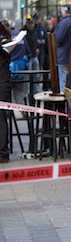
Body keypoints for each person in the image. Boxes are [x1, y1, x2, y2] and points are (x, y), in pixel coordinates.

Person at [0, 21, 12, 163]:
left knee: (1, 118)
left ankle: (3, 152)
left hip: (2, 85)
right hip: (4, 84)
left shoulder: (4, 44)